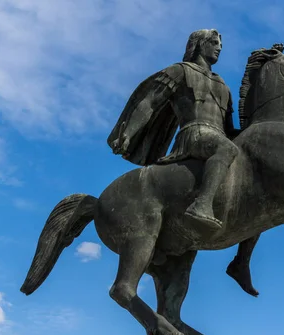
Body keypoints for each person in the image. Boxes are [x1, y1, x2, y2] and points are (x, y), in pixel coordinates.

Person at [108, 29, 259, 296]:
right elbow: (149, 103)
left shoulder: (223, 85)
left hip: (217, 138)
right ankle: (202, 205)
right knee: (225, 148)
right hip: (194, 133)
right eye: (214, 42)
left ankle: (241, 262)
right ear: (199, 45)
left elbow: (228, 129)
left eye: (221, 43)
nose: (219, 47)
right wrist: (128, 131)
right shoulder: (180, 71)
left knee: (258, 189)